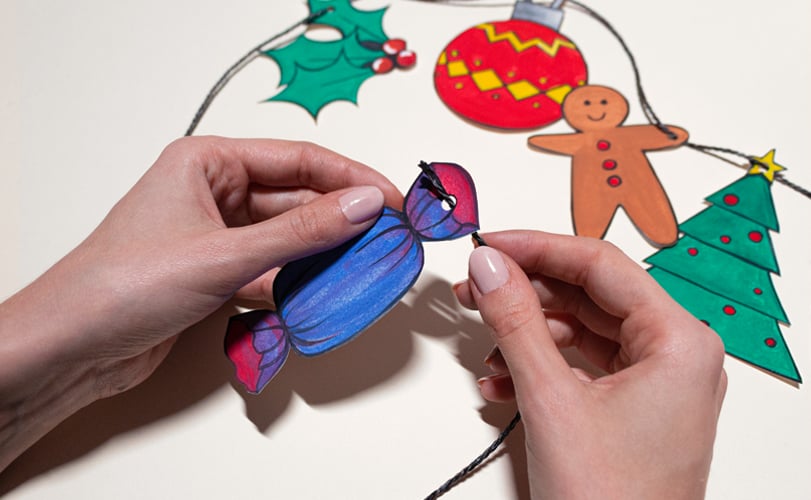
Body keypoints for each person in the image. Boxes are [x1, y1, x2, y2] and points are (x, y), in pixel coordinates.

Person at [0, 137, 726, 498]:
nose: (437, 211)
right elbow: (316, 274)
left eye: (443, 206)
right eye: (439, 201)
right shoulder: (394, 247)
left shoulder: (403, 258)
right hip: (285, 322)